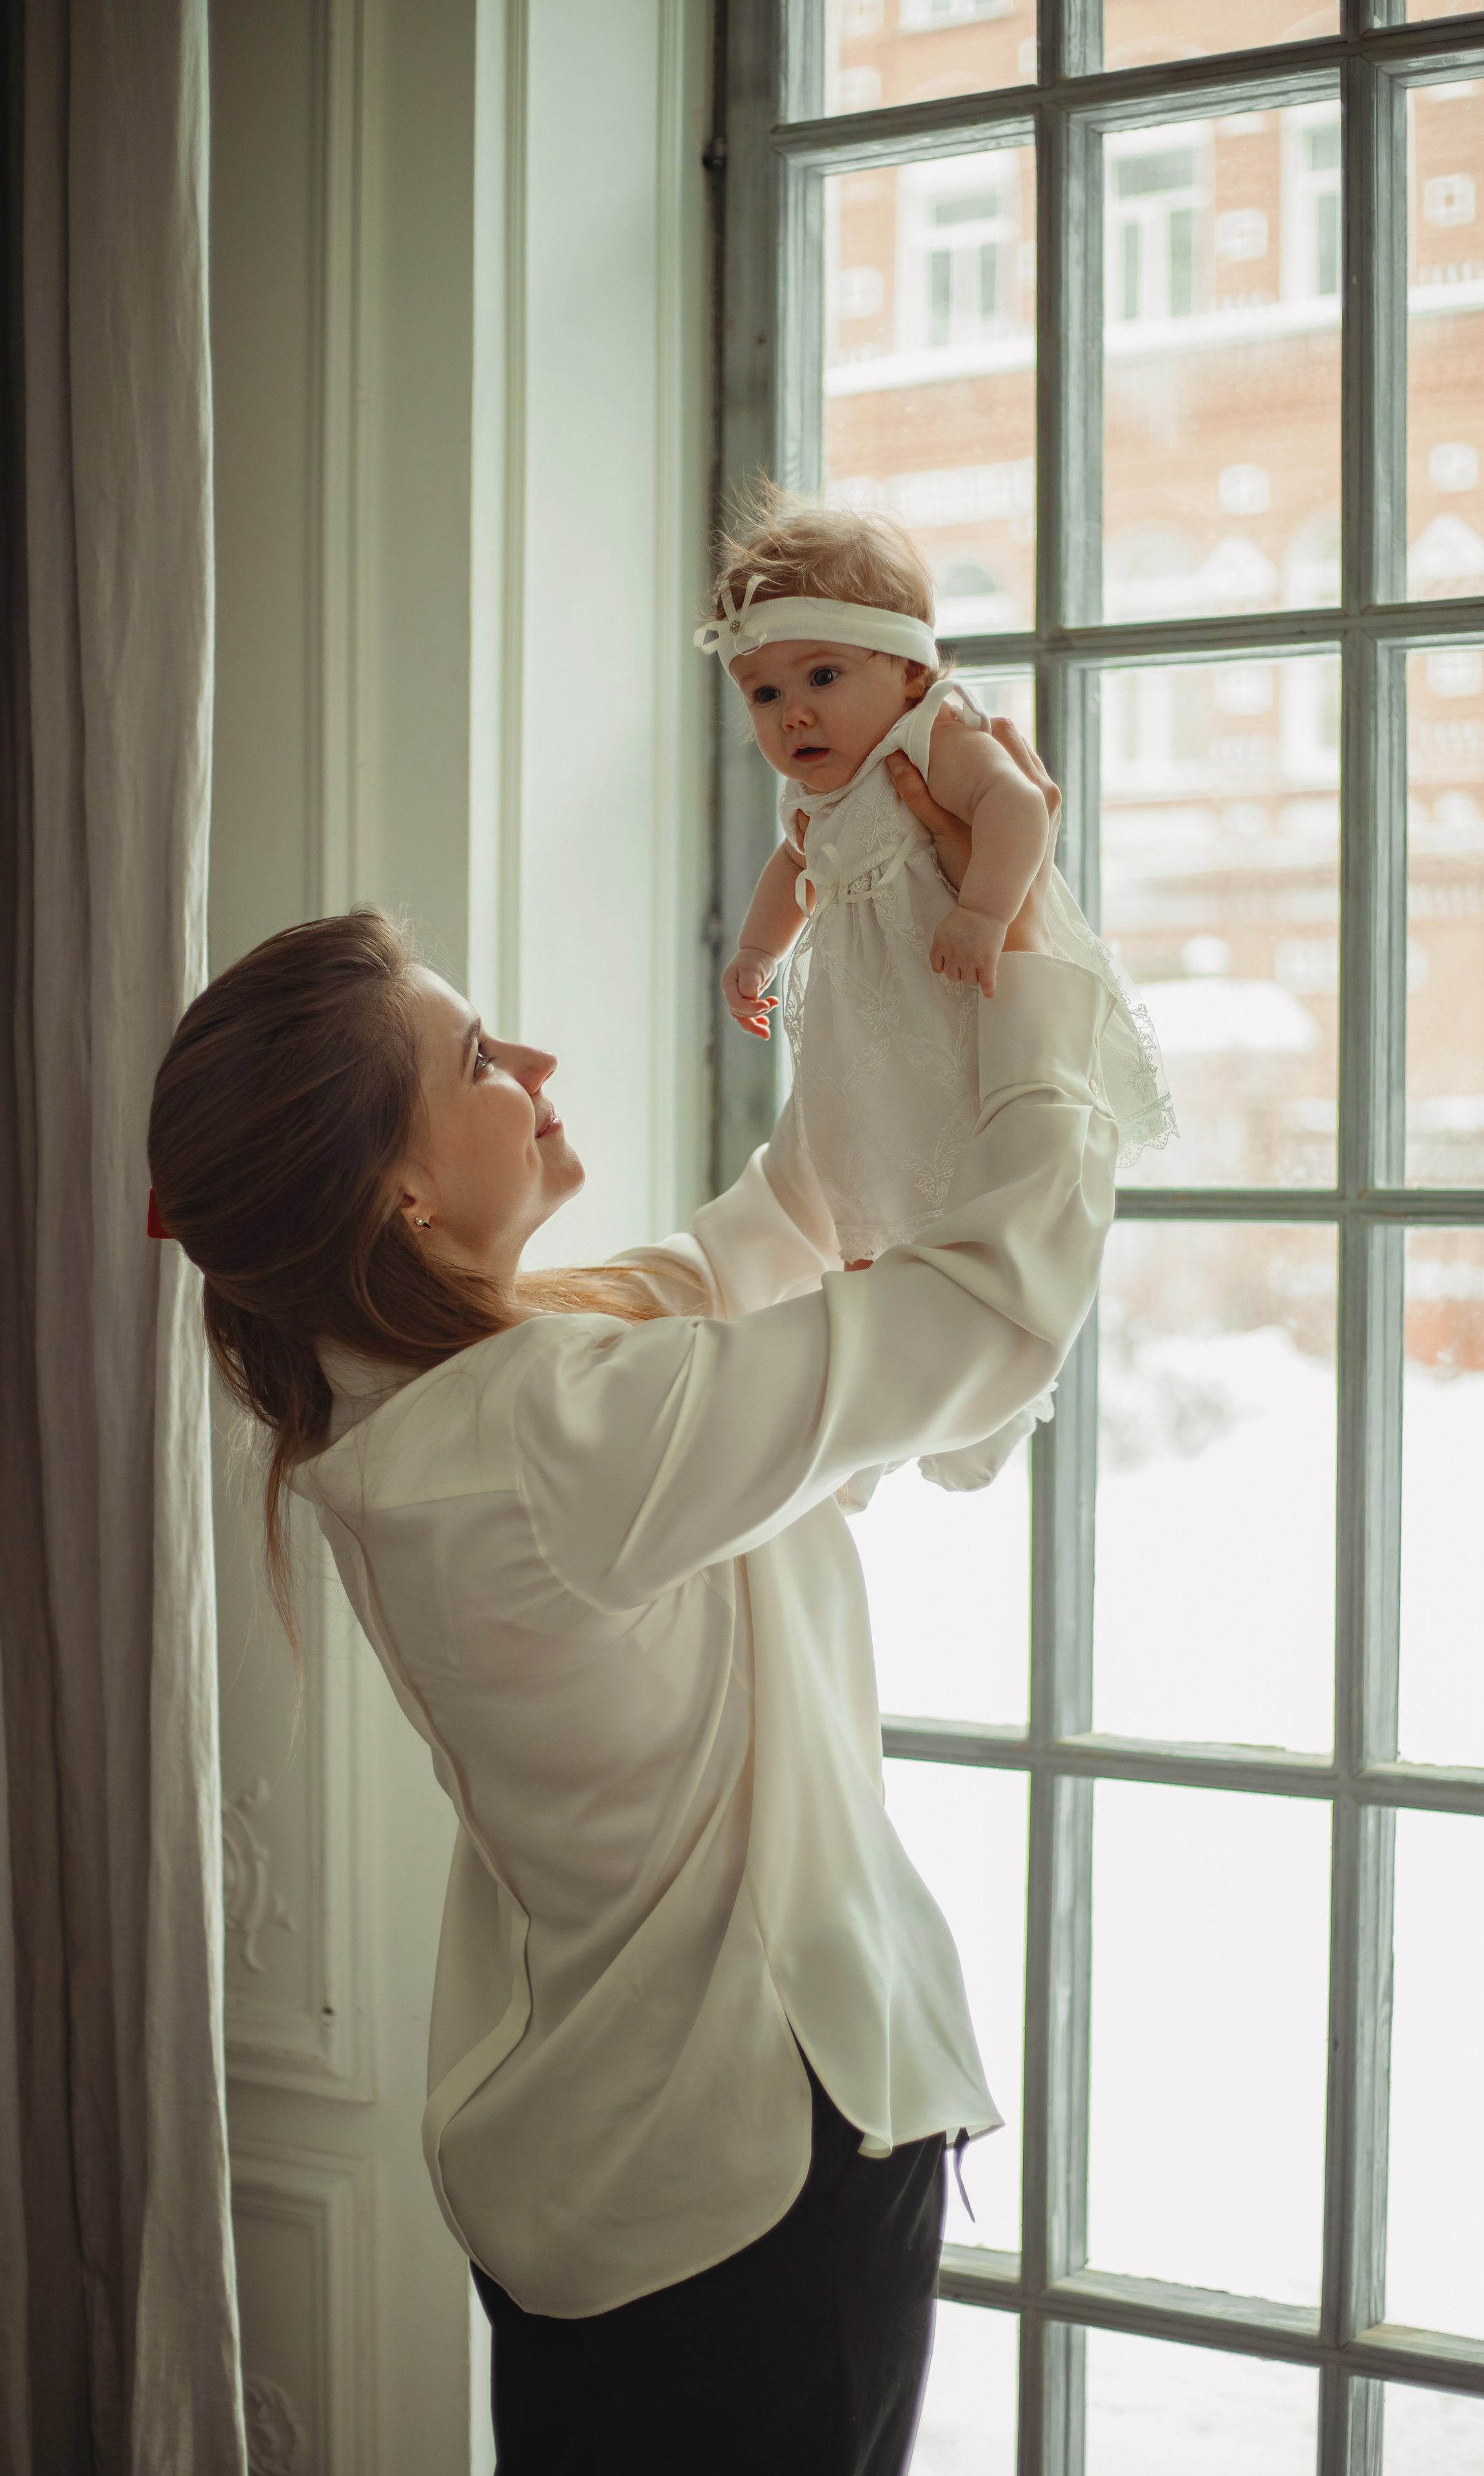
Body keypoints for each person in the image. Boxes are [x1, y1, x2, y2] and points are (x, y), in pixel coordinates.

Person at [147, 734, 1117, 2475]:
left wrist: (868, 925)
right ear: (402, 1188)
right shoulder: (544, 1433)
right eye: (473, 1056)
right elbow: (991, 1313)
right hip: (750, 2188)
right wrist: (1032, 955)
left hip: (593, 2186)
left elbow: (788, 1220)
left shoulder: (413, 1403)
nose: (532, 1065)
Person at [699, 489, 1174, 1507]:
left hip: (954, 1009)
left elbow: (1017, 808)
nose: (795, 715)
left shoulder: (933, 736)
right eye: (764, 694)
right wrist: (756, 952)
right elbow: (794, 869)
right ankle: (877, 1412)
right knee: (864, 1190)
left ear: (909, 667)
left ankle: (985, 1400)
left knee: (970, 1185)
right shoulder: (812, 791)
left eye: (822, 675)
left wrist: (983, 910)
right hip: (867, 1042)